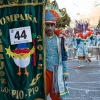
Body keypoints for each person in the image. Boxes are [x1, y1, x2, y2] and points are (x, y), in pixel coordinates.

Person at [45, 4, 70, 100]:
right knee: (40, 95)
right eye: (47, 24)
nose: (50, 27)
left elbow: (64, 56)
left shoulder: (60, 38)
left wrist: (65, 71)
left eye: (52, 25)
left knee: (56, 96)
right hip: (44, 71)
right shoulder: (40, 38)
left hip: (56, 71)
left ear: (55, 25)